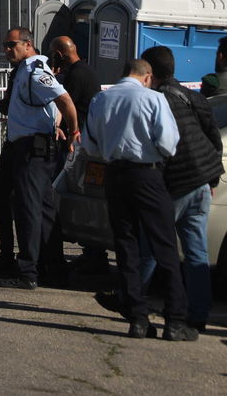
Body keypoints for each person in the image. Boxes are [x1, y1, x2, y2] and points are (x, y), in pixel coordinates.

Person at [80, 59, 194, 341]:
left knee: (126, 247)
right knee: (164, 245)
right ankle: (175, 321)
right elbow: (168, 143)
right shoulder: (153, 98)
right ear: (147, 77)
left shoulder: (101, 99)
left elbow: (90, 144)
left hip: (115, 175)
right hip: (147, 175)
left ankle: (138, 318)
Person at [0, 26, 77, 289]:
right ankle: (49, 267)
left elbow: (65, 101)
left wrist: (73, 131)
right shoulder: (23, 71)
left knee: (29, 211)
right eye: (5, 45)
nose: (7, 50)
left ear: (28, 44)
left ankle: (28, 272)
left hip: (33, 150)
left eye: (12, 45)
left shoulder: (36, 72)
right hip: (22, 147)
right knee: (40, 209)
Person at [140, 46, 222, 333]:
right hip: (203, 180)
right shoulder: (194, 97)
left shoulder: (155, 101)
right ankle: (198, 313)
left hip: (176, 182)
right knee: (196, 251)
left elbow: (157, 147)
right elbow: (213, 136)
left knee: (150, 243)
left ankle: (134, 300)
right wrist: (211, 180)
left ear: (149, 72)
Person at [47, 35, 99, 281]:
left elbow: (66, 105)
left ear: (60, 53)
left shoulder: (77, 75)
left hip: (78, 145)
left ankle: (94, 255)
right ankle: (92, 253)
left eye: (52, 53)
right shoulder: (84, 70)